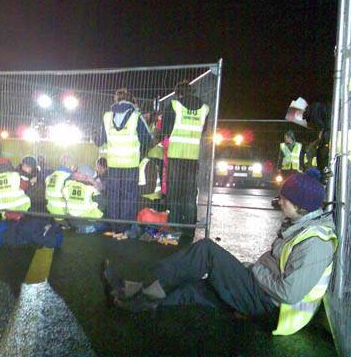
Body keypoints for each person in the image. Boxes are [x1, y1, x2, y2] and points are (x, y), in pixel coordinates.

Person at [102, 172, 337, 336]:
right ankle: (135, 297)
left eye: (286, 197)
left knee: (206, 251)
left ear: (300, 204)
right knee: (192, 289)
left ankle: (138, 290)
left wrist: (255, 269)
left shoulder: (316, 242)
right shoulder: (303, 228)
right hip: (262, 295)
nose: (280, 200)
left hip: (269, 306)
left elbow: (289, 292)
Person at [94, 88, 152, 234]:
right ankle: (125, 227)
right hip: (130, 164)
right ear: (131, 100)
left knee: (114, 195)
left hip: (113, 164)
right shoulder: (136, 116)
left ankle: (114, 226)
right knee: (128, 196)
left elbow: (100, 140)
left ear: (116, 100)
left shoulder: (107, 117)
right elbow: (147, 139)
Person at [160, 81, 209, 236]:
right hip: (192, 156)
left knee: (174, 192)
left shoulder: (175, 105)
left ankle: (175, 227)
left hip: (175, 156)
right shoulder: (205, 108)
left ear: (178, 93)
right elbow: (204, 130)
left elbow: (165, 129)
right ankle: (189, 229)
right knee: (189, 194)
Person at [63, 164, 107, 234]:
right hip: (88, 221)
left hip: (72, 221)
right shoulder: (91, 189)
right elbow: (103, 204)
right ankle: (91, 227)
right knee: (104, 219)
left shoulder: (68, 186)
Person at [45, 154, 77, 221]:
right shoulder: (69, 176)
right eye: (74, 166)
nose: (75, 169)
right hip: (64, 212)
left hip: (50, 210)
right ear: (71, 166)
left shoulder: (51, 176)